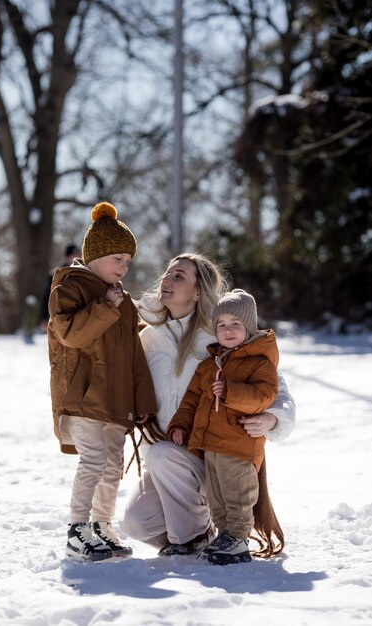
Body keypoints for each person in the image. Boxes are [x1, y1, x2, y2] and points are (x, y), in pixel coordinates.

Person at [120, 253, 295, 557]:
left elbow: (274, 386)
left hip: (214, 456)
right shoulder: (146, 338)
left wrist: (272, 419)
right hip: (168, 461)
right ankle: (198, 533)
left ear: (198, 291)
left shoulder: (218, 337)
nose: (167, 280)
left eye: (179, 276)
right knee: (136, 523)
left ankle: (189, 539)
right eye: (167, 273)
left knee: (163, 456)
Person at [48, 201, 156, 562]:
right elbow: (71, 335)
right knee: (93, 461)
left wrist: (141, 402)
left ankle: (101, 525)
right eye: (118, 259)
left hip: (116, 401)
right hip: (83, 397)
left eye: (128, 261)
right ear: (95, 256)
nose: (124, 267)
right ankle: (77, 529)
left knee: (112, 466)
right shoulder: (70, 287)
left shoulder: (123, 300)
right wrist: (106, 307)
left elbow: (134, 356)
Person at [167, 289, 279, 565]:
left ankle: (239, 538)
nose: (228, 330)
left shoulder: (259, 362)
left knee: (238, 492)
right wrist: (180, 424)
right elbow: (191, 399)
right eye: (222, 325)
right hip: (211, 444)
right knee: (216, 494)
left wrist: (230, 390)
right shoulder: (209, 365)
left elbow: (263, 396)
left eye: (235, 324)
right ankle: (224, 534)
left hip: (239, 444)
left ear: (249, 327)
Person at [39, 244, 81, 332]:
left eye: (78, 255)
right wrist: (44, 318)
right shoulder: (56, 274)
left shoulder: (83, 273)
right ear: (67, 257)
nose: (77, 258)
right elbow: (48, 297)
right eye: (73, 256)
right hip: (58, 316)